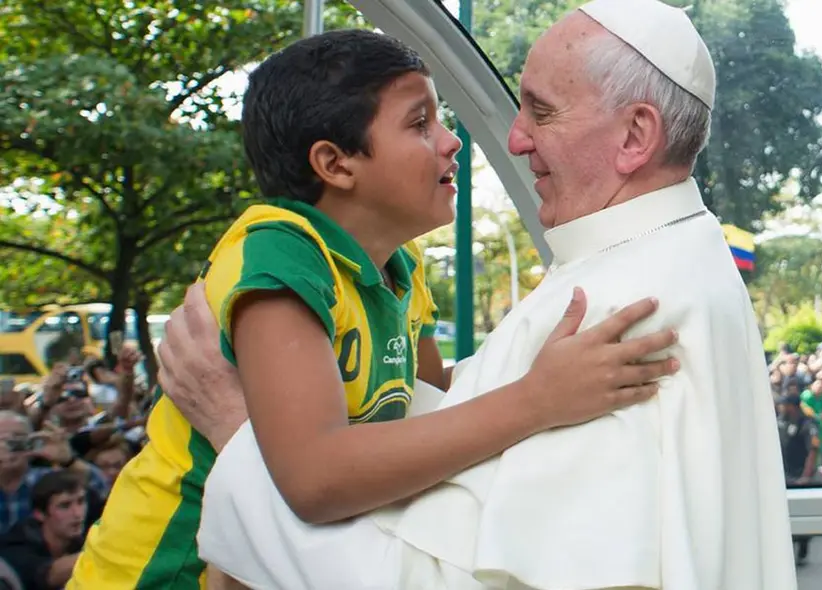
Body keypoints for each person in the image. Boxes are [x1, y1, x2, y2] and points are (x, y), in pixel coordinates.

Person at [162, 1, 796, 588]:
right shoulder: (663, 263)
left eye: (541, 111)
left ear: (634, 136)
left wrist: (240, 432)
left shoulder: (626, 316)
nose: (514, 139)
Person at [67, 27, 679, 590]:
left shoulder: (400, 271)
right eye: (419, 123)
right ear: (335, 164)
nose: (450, 141)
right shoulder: (282, 255)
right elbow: (316, 480)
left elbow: (442, 427)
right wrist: (537, 400)